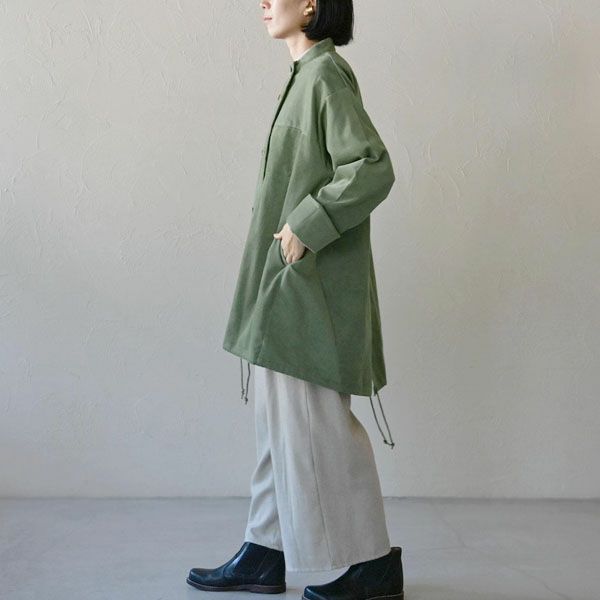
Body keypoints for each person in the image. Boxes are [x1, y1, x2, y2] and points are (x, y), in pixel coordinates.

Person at [187, 1, 404, 599]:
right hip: (290, 283)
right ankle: (265, 550)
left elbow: (371, 167)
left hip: (310, 287)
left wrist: (306, 226)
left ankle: (374, 563)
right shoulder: (305, 76)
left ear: (311, 4)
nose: (263, 2)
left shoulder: (324, 77)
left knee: (317, 426)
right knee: (279, 427)